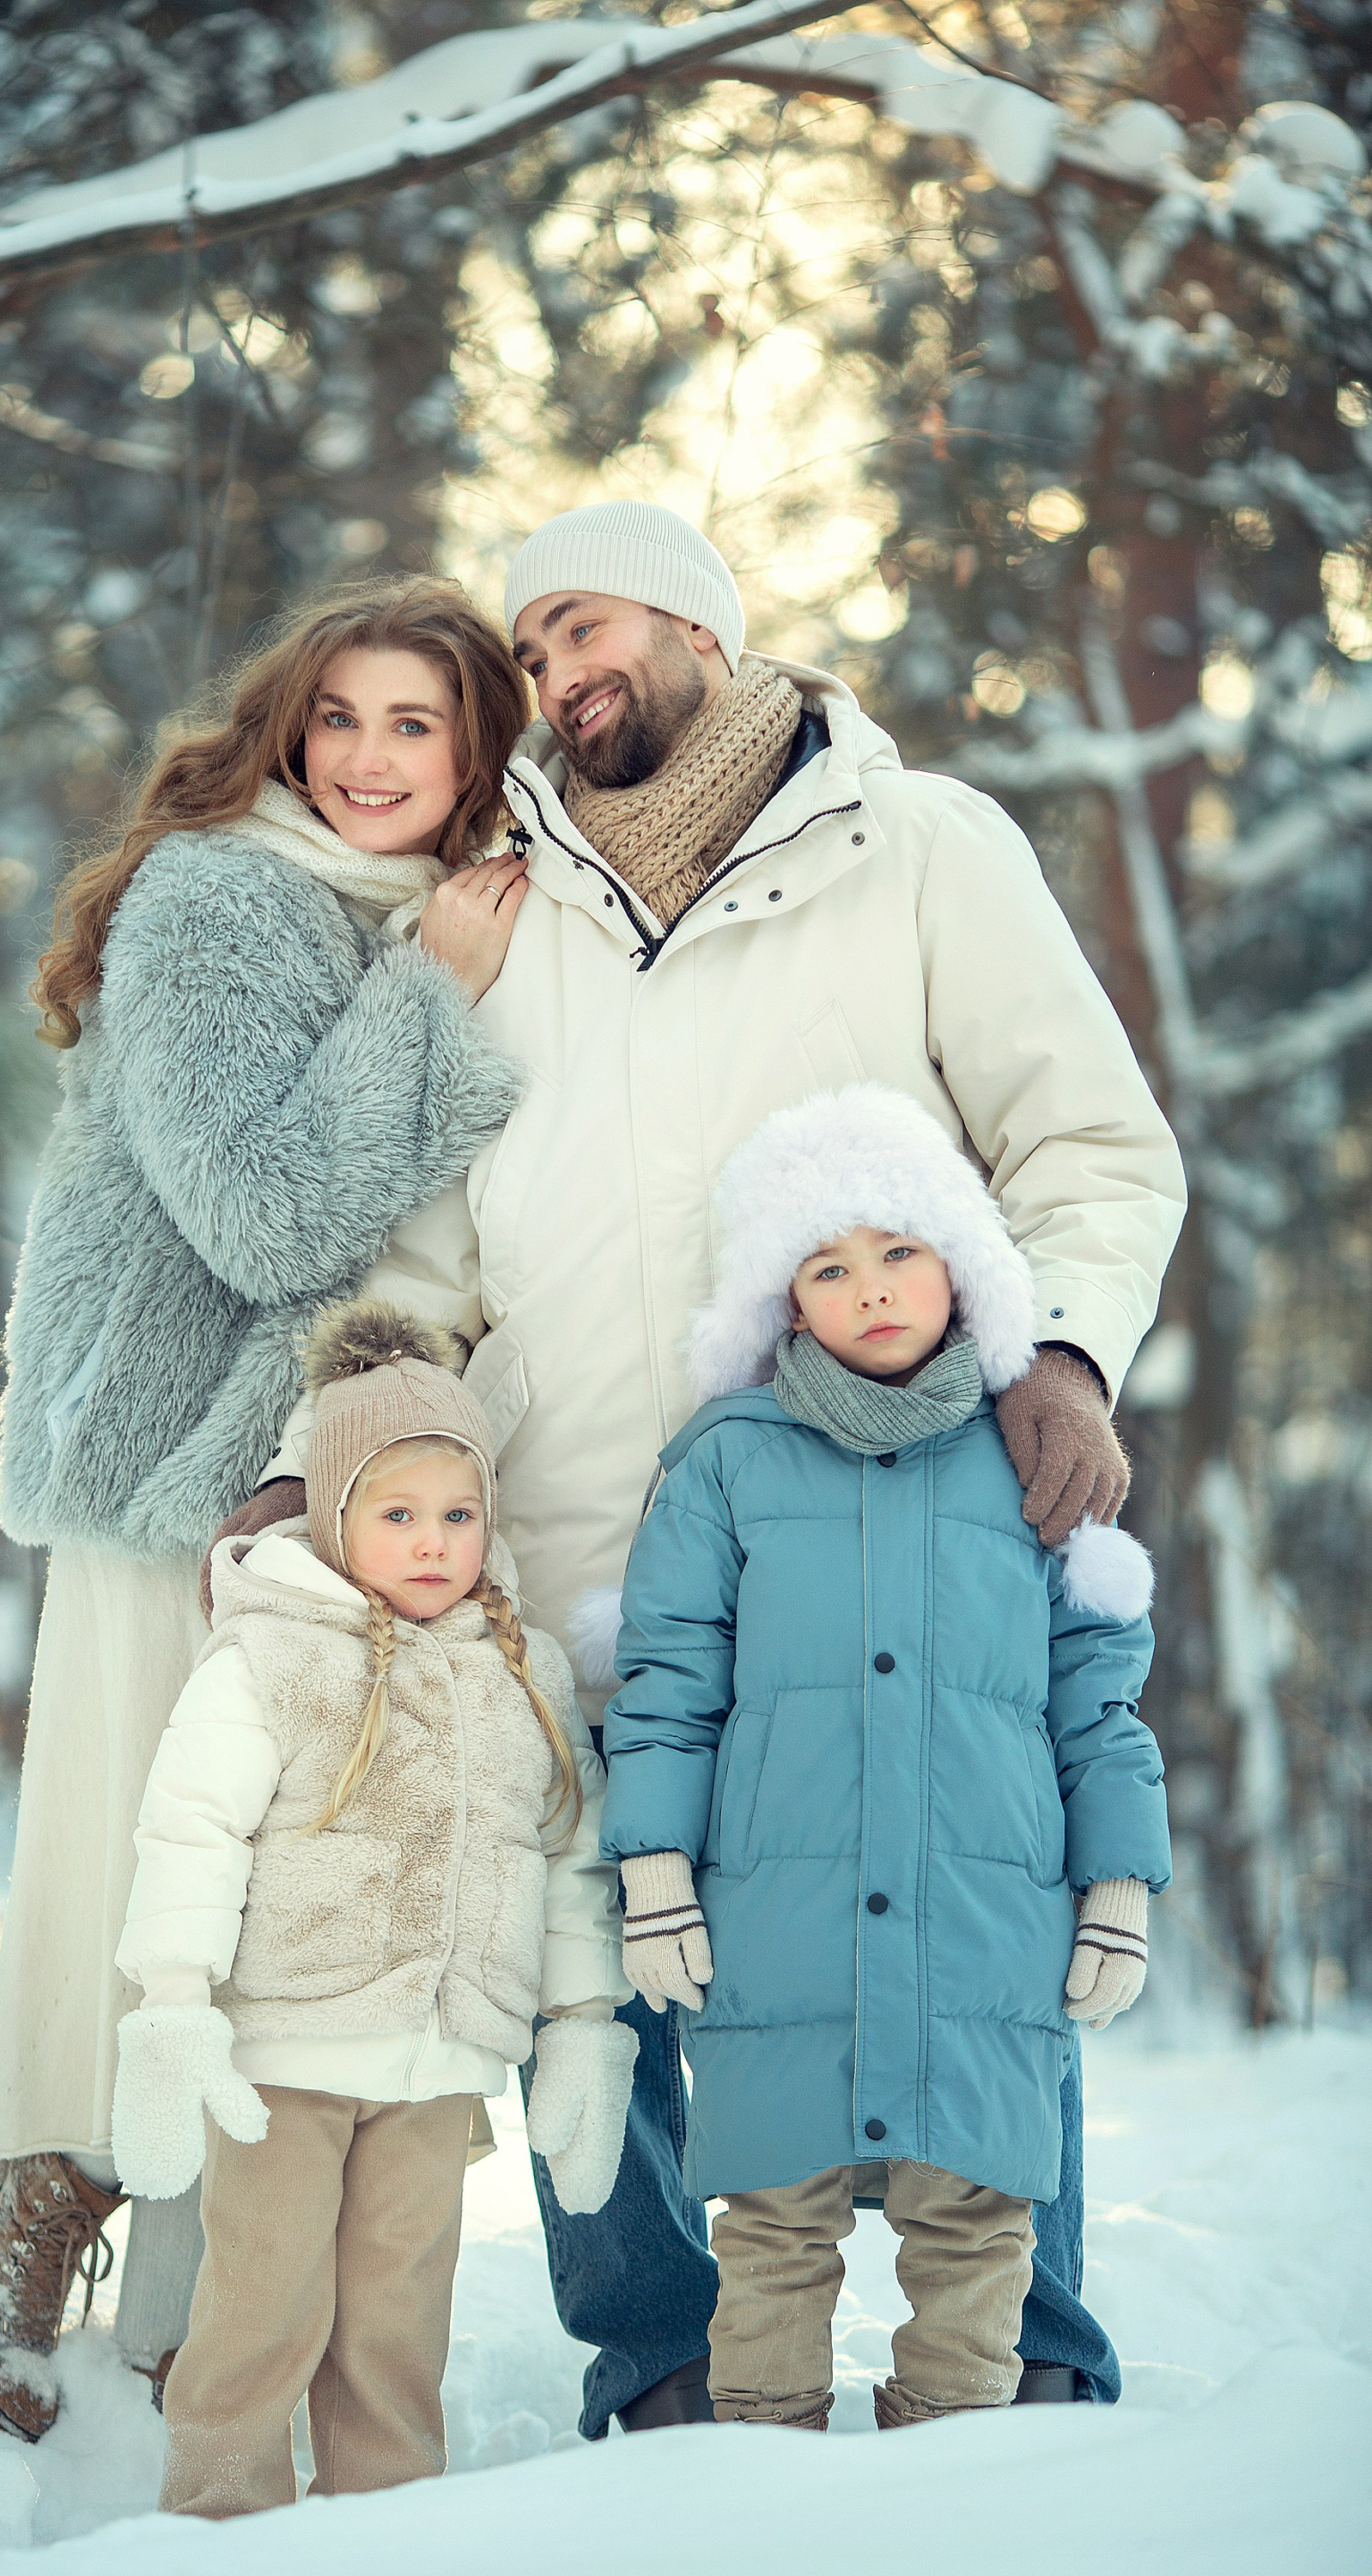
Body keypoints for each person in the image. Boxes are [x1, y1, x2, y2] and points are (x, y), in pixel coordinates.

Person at [234, 502, 1187, 2428]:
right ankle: (666, 2363)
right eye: (533, 642)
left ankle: (1030, 2370)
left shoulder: (915, 850)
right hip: (585, 1522)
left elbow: (1088, 1149)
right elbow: (419, 1264)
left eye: (583, 619)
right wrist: (317, 1457)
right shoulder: (503, 910)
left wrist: (1066, 1355)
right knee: (599, 1948)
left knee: (967, 1927)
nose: (556, 667)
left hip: (902, 1522)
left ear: (696, 620)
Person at [0, 577, 534, 2440]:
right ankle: (30, 2202)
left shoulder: (433, 911)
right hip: (170, 1467)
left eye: (415, 727)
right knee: (128, 1856)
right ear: (285, 730)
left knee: (261, 1894)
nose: (367, 760)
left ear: (476, 754)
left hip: (322, 1480)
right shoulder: (215, 902)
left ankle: (187, 2311)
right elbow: (263, 1213)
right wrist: (430, 992)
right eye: (337, 719)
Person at [598, 1084, 1171, 2431]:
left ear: (963, 1263)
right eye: (829, 1265)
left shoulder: (1033, 1458)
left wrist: (1120, 1886)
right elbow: (669, 1682)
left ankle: (952, 2468)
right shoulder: (725, 1464)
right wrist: (657, 1869)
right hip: (775, 1929)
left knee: (978, 2224)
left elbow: (1100, 1698)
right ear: (785, 1301)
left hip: (985, 1928)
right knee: (773, 2228)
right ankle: (761, 2462)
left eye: (899, 1250)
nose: (870, 1289)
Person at [108, 1302, 633, 2516]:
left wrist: (586, 2021)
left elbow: (567, 1854)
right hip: (283, 2060)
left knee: (399, 2312)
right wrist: (172, 2006)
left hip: (437, 2066)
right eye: (398, 1515)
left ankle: (392, 2520)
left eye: (458, 1514)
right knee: (263, 2298)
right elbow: (191, 1830)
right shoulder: (270, 1655)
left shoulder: (520, 1672)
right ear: (334, 1516)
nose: (434, 1542)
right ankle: (221, 2516)